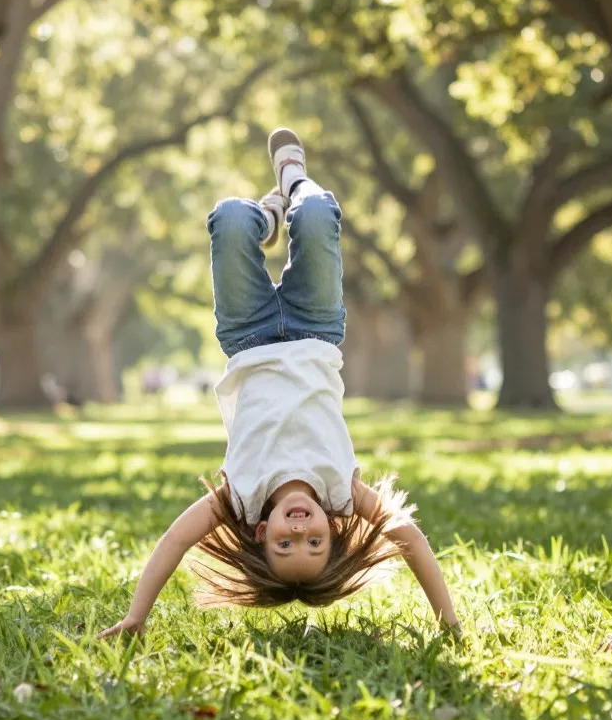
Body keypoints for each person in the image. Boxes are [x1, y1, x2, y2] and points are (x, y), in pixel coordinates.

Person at [99, 129, 460, 638]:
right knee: (316, 216)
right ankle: (292, 179)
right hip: (316, 327)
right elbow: (412, 541)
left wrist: (136, 616)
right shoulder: (342, 491)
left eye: (285, 544)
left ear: (262, 533)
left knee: (229, 219)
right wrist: (449, 623)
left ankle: (265, 217)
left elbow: (175, 541)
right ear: (332, 531)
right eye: (314, 543)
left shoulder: (240, 497)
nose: (299, 530)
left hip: (248, 335)